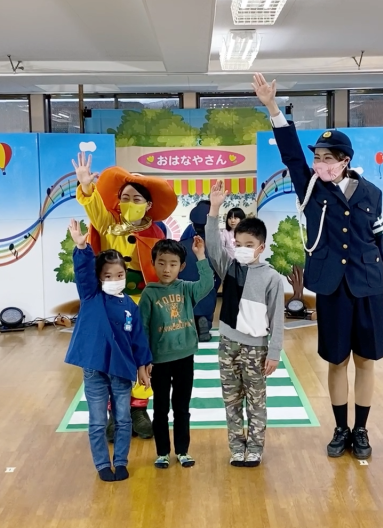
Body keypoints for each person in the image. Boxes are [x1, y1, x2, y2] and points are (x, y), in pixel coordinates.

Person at [253, 73, 383, 461]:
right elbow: (291, 155)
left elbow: (380, 238)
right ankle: (340, 429)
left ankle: (361, 430)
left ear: (344, 161)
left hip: (368, 284)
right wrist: (272, 107)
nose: (319, 164)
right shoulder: (311, 187)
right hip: (332, 287)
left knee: (366, 361)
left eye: (327, 159)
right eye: (317, 158)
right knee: (337, 360)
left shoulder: (372, 193)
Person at [73, 152, 177, 440]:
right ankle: (113, 411)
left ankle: (138, 408)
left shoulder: (156, 231)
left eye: (136, 199)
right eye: (125, 198)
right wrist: (86, 186)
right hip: (112, 302)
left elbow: (163, 269)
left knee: (144, 353)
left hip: (144, 302)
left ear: (148, 204)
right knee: (113, 352)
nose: (130, 203)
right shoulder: (109, 224)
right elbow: (95, 210)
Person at [62, 219, 152, 482]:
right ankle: (102, 464)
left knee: (123, 418)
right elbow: (83, 273)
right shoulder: (91, 296)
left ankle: (121, 461)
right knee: (98, 420)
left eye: (119, 275)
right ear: (99, 278)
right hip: (95, 369)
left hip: (121, 370)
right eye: (108, 276)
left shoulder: (130, 305)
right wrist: (82, 248)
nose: (114, 280)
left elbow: (139, 339)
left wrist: (143, 366)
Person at [204, 181, 284, 468]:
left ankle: (255, 449)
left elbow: (277, 318)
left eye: (249, 245)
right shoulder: (230, 267)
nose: (242, 249)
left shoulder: (272, 278)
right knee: (231, 400)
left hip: (256, 350)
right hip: (228, 345)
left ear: (261, 247)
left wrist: (274, 352)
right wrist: (214, 209)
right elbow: (213, 245)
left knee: (256, 401)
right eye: (238, 245)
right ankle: (237, 448)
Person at [139, 237, 214, 469]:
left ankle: (182, 450)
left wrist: (200, 256)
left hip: (184, 358)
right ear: (153, 263)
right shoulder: (149, 294)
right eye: (161, 263)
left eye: (173, 264)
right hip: (159, 361)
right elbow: (142, 329)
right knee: (161, 409)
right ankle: (162, 452)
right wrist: (143, 361)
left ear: (181, 266)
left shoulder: (186, 288)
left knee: (182, 408)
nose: (166, 269)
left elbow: (208, 283)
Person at [178, 200, 222, 342]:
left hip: (185, 292)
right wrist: (213, 288)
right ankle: (205, 322)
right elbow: (219, 274)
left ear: (193, 224)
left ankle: (189, 325)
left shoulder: (180, 245)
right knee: (208, 293)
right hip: (207, 292)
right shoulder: (215, 247)